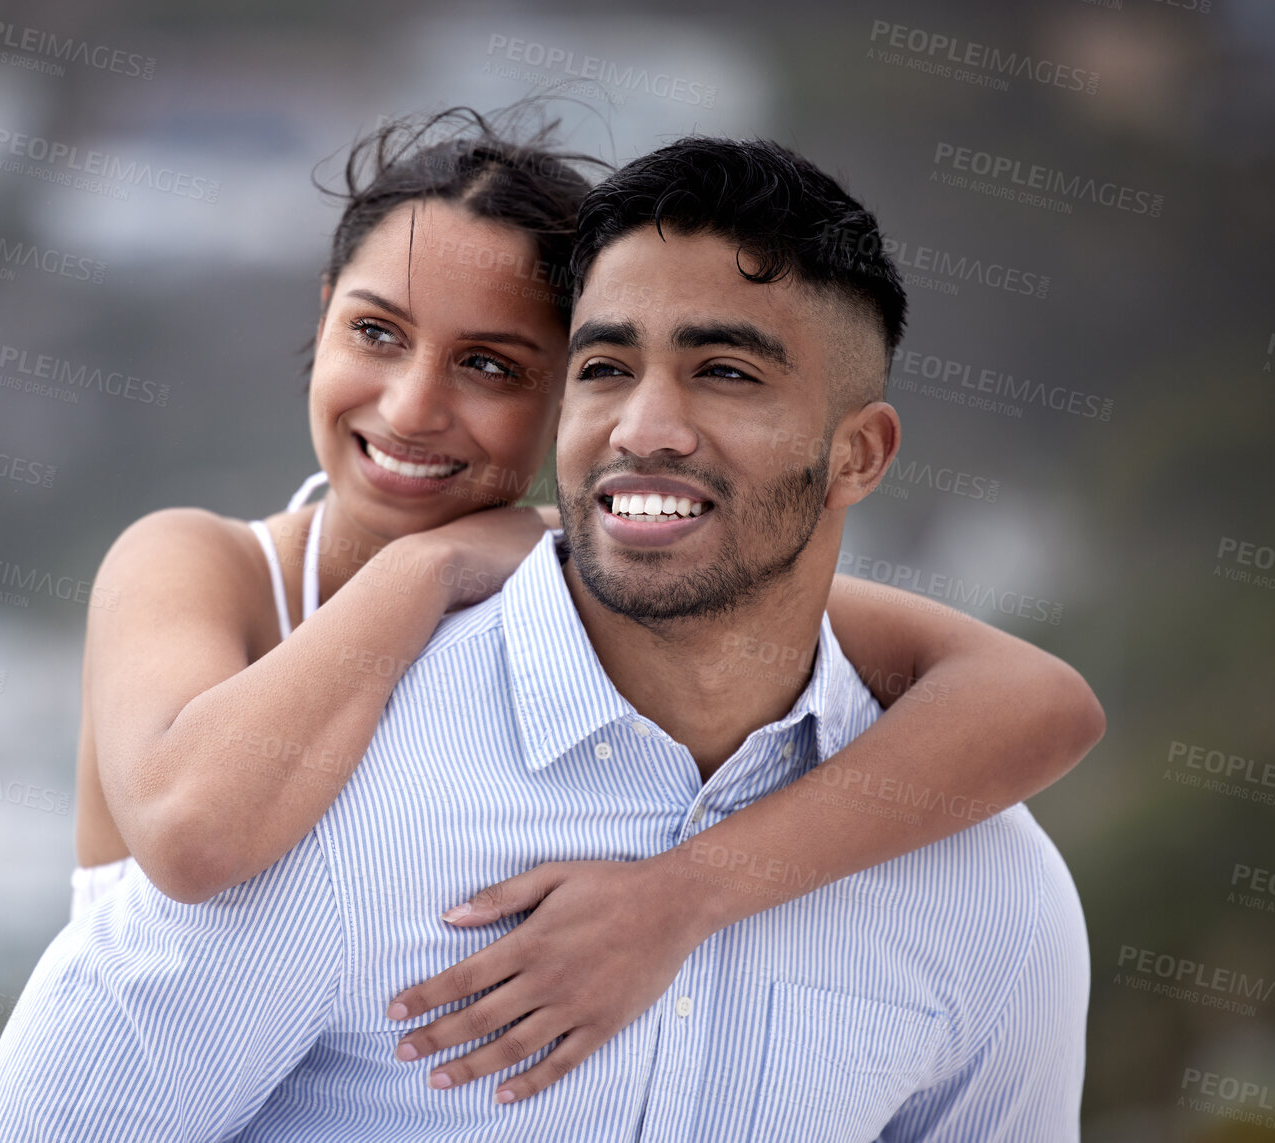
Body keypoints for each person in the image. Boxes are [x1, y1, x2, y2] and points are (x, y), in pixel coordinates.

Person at [62, 110, 1103, 1107]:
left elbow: (1036, 701)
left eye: (488, 365)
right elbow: (195, 842)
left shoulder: (607, 591)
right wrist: (421, 574)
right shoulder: (201, 563)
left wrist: (683, 896)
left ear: (572, 393)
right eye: (374, 332)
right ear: (325, 311)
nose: (412, 405)